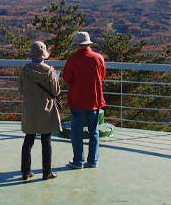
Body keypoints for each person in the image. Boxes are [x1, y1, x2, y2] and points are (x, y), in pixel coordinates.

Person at [18, 41, 62, 180]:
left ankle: (26, 171)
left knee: (28, 140)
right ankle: (47, 172)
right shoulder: (50, 71)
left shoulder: (24, 70)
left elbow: (20, 90)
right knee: (46, 140)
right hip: (46, 108)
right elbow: (56, 91)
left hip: (30, 108)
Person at [62, 31, 106, 170]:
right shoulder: (98, 58)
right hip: (94, 99)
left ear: (77, 45)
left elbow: (67, 79)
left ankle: (78, 161)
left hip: (77, 99)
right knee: (94, 131)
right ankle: (93, 160)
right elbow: (102, 75)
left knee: (77, 131)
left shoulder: (73, 60)